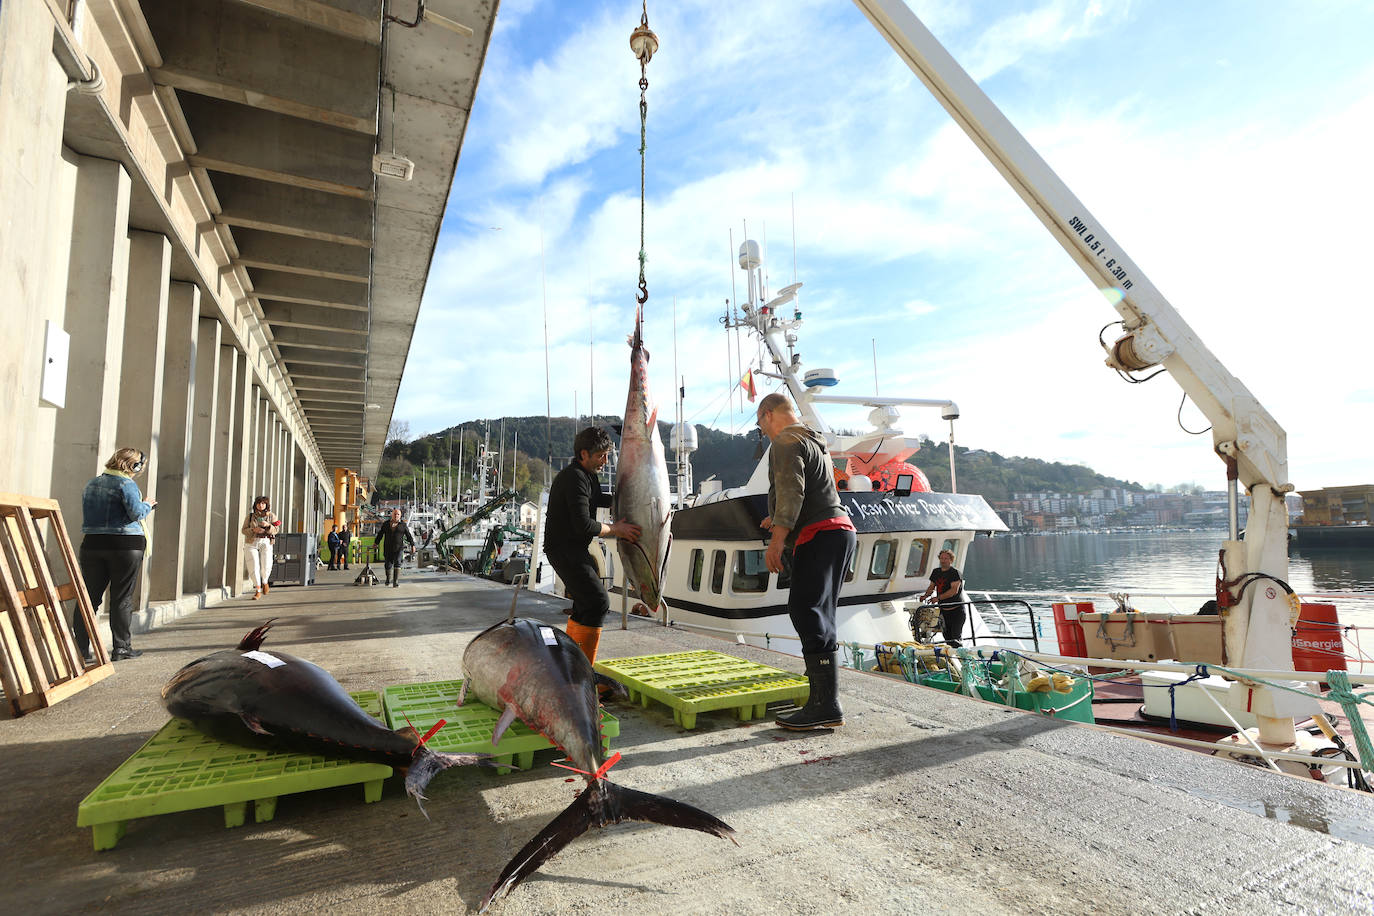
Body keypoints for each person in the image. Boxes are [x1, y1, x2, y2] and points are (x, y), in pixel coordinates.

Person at [756, 393, 857, 730]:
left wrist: (777, 541)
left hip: (819, 533)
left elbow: (792, 492)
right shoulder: (814, 440)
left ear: (768, 414)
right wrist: (777, 519)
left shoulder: (785, 441)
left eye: (760, 424)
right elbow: (815, 492)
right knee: (821, 613)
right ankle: (822, 694)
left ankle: (825, 704)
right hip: (840, 530)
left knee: (804, 609)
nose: (763, 431)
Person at [544, 427, 641, 670]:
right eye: (600, 456)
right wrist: (617, 529)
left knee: (585, 604)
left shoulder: (587, 476)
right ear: (583, 454)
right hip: (564, 550)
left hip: (573, 549)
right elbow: (584, 525)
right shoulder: (574, 478)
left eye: (607, 455)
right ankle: (582, 670)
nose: (605, 461)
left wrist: (624, 500)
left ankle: (571, 665)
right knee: (598, 602)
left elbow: (597, 499)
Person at [76, 447, 156, 662]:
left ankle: (80, 650)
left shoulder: (91, 484)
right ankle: (121, 648)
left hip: (92, 544)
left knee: (88, 598)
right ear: (133, 466)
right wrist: (148, 504)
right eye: (139, 466)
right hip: (125, 545)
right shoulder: (126, 484)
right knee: (121, 598)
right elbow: (136, 513)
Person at [921, 548, 967, 648]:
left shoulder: (955, 573)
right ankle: (950, 656)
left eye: (946, 558)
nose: (943, 560)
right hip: (944, 611)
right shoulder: (936, 572)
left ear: (951, 560)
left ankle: (960, 655)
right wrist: (925, 596)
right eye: (941, 558)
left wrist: (938, 598)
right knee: (947, 638)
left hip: (957, 611)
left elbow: (954, 590)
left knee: (956, 638)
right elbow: (931, 586)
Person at [241, 496, 279, 599]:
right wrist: (253, 530)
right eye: (258, 503)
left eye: (263, 503)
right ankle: (258, 590)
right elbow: (243, 530)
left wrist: (268, 526)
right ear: (255, 505)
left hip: (266, 541)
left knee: (266, 564)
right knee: (253, 565)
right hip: (252, 542)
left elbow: (276, 530)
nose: (260, 505)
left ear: (266, 505)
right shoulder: (250, 516)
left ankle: (265, 582)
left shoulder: (271, 516)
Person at [379, 508, 415, 587]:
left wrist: (412, 545)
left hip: (399, 548)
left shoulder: (403, 525)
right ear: (392, 515)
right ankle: (388, 579)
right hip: (388, 548)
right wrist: (376, 543)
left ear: (400, 516)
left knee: (398, 563)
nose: (396, 515)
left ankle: (395, 582)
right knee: (388, 565)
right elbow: (380, 534)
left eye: (398, 514)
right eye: (395, 514)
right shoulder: (386, 524)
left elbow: (408, 536)